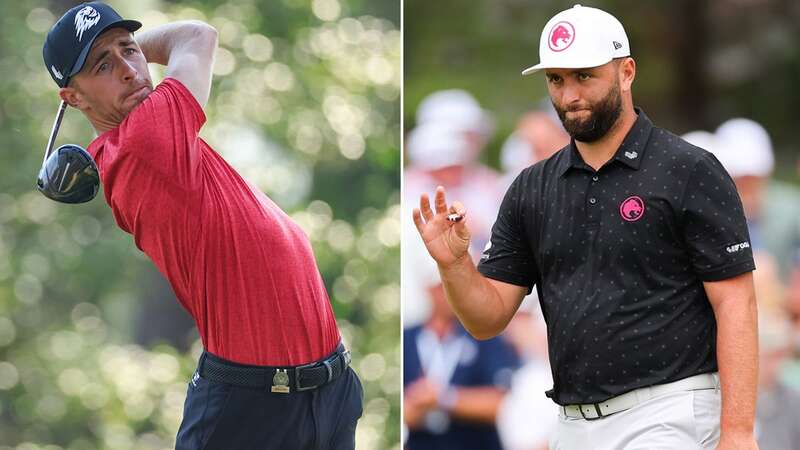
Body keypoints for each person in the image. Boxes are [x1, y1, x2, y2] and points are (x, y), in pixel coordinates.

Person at [412, 4, 759, 450]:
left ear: (626, 72)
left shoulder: (689, 169)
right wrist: (456, 265)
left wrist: (738, 432)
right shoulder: (532, 188)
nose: (569, 94)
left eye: (584, 76)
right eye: (556, 80)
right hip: (573, 425)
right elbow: (487, 318)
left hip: (671, 413)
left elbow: (735, 303)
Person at [42, 3, 362, 449]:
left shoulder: (155, 131)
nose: (131, 71)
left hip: (327, 391)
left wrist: (113, 52)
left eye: (129, 51)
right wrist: (132, 47)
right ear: (73, 98)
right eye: (103, 66)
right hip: (251, 408)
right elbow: (196, 36)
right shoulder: (144, 141)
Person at [403, 249, 519, 450]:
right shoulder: (408, 338)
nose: (452, 293)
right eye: (444, 286)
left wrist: (443, 399)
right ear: (430, 289)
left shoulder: (487, 335)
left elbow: (501, 403)